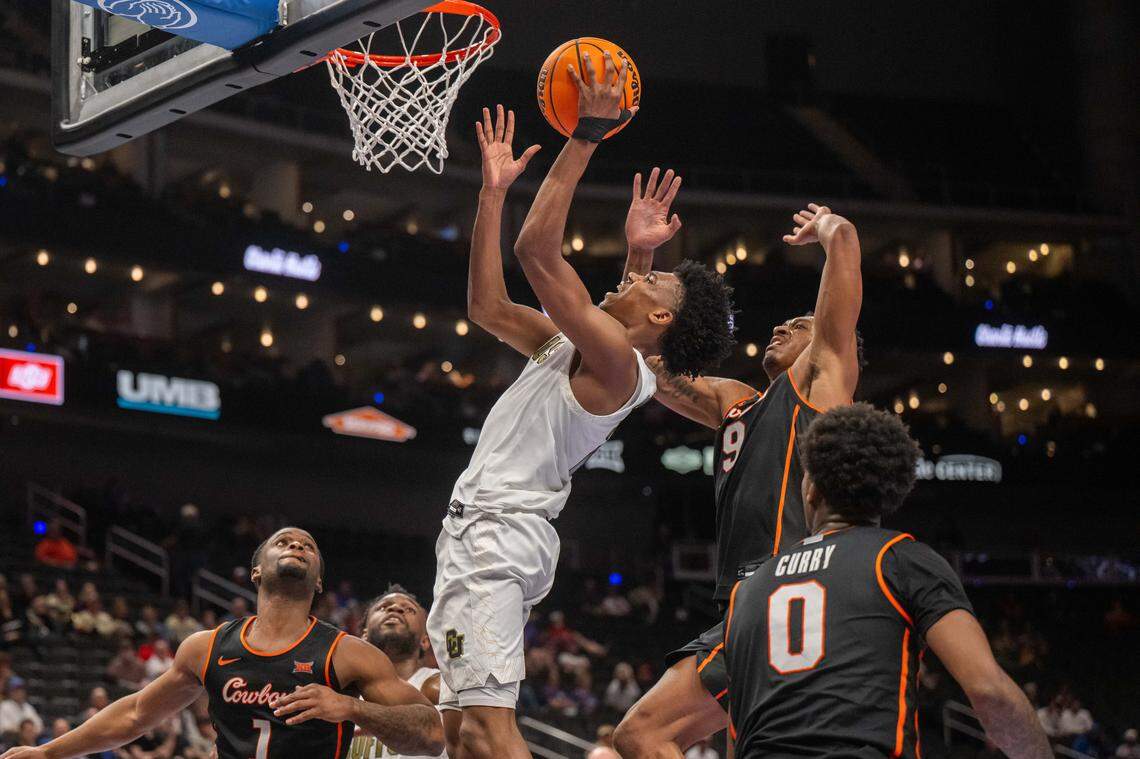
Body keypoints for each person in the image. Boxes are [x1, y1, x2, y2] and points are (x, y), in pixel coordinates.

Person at [428, 54, 735, 759]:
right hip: (491, 534)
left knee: (483, 731)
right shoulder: (584, 350)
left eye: (655, 283)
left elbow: (538, 252)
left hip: (496, 535)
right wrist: (490, 194)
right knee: (458, 733)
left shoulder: (616, 365)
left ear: (658, 321)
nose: (643, 277)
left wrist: (587, 136)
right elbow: (486, 307)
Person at [616, 203, 864, 756]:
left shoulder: (821, 384)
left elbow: (845, 244)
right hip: (741, 603)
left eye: (798, 325)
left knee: (640, 733)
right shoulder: (737, 400)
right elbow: (633, 357)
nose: (780, 327)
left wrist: (828, 226)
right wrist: (640, 259)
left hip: (793, 592)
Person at [723, 404, 1052, 758]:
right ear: (889, 492)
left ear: (812, 488)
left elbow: (736, 735)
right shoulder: (900, 559)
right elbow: (990, 691)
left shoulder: (748, 589)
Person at [0, 527, 443, 759]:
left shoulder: (346, 652)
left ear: (319, 581)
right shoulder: (205, 647)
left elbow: (431, 734)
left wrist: (352, 707)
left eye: (307, 546)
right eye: (282, 542)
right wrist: (49, 751)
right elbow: (135, 714)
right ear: (255, 572)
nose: (296, 545)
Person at [350, 585, 446, 759]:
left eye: (409, 609)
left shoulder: (441, 687)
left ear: (425, 640)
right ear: (363, 635)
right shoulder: (341, 691)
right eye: (383, 607)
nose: (395, 608)